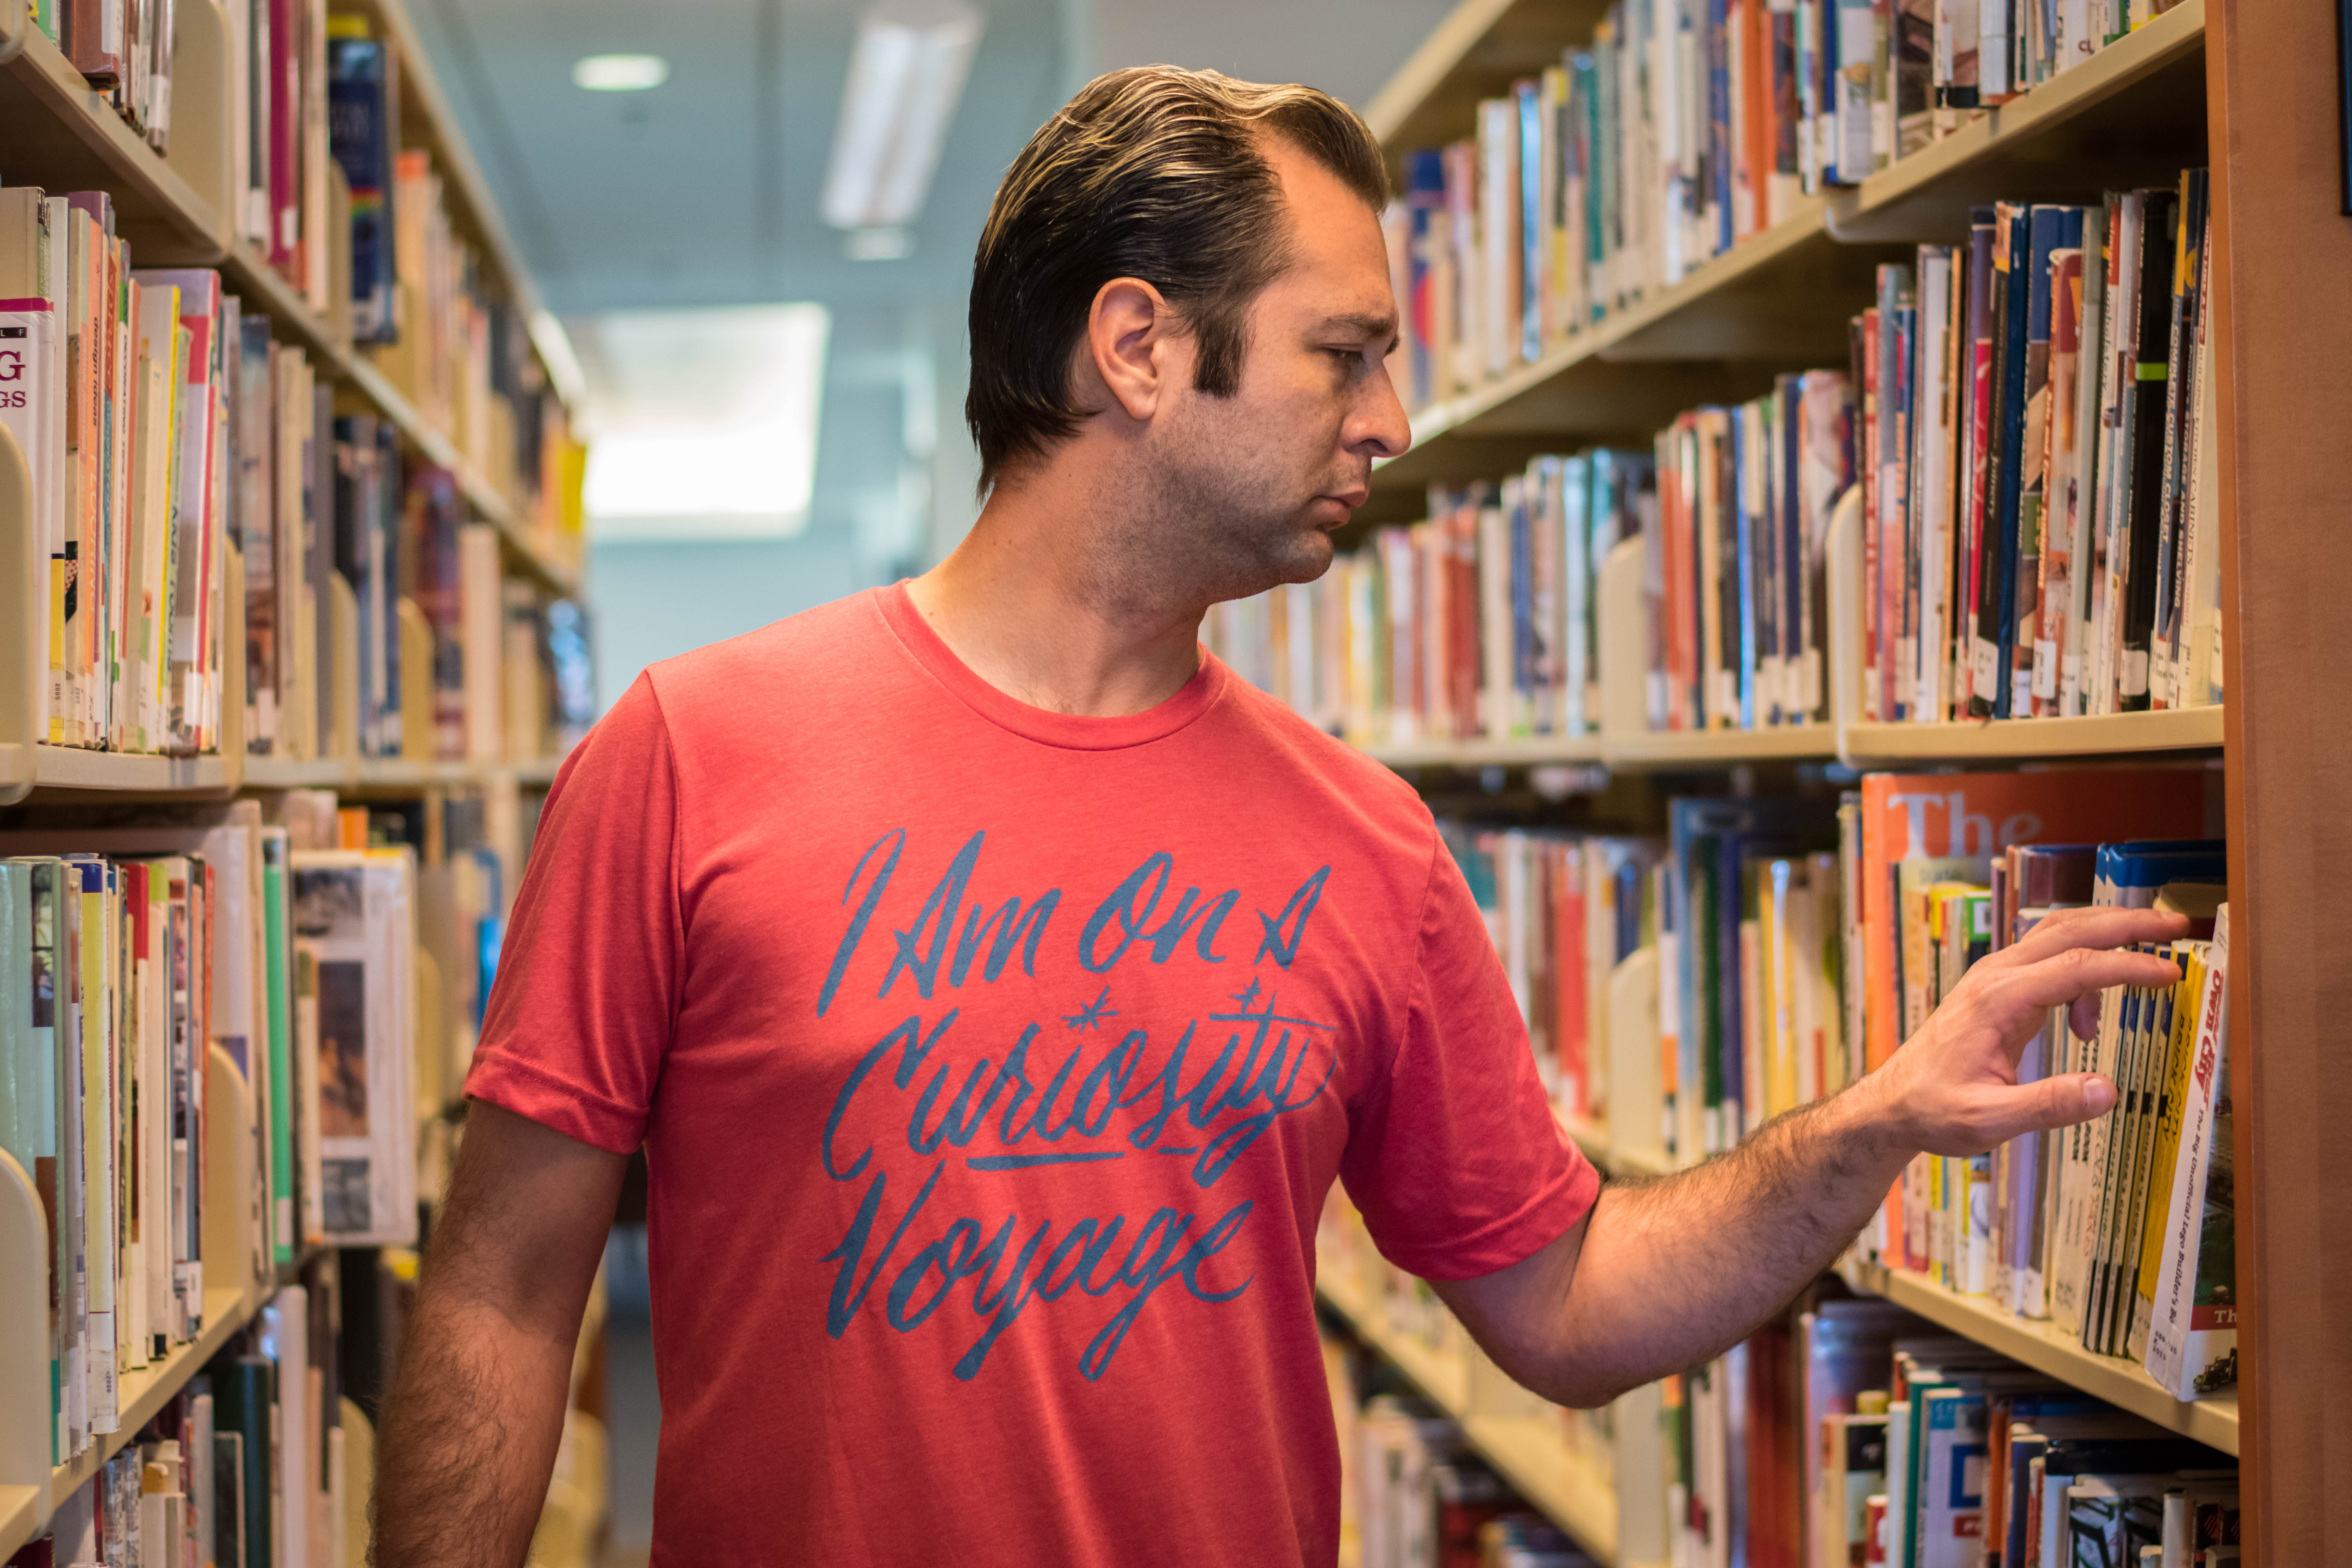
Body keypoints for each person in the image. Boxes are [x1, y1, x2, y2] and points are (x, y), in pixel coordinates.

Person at [369, 66, 2184, 1568]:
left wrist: (1871, 1122)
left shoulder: (1365, 846)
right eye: (1344, 352)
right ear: (1140, 348)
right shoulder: (691, 752)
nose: (1393, 419)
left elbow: (1564, 1303)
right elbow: (503, 1293)